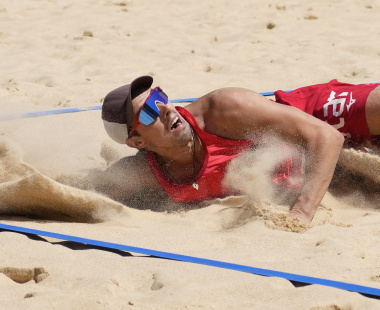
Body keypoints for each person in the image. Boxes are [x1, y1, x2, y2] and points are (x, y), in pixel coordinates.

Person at [100, 76, 380, 224]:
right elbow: (87, 191)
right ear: (137, 142)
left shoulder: (222, 110)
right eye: (149, 111)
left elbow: (327, 137)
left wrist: (301, 214)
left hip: (314, 118)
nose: (166, 109)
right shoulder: (147, 172)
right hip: (324, 171)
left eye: (160, 97)